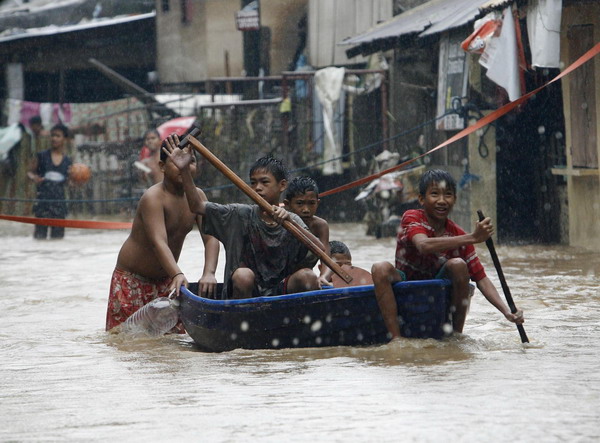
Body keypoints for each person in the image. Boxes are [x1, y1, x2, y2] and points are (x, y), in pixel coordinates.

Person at [163, 135, 325, 299]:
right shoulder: (239, 214)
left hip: (281, 293)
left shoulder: (291, 220)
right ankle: (241, 321)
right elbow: (197, 206)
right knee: (243, 275)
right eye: (253, 183)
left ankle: (298, 319)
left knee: (308, 277)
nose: (257, 188)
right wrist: (185, 171)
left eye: (264, 182)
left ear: (282, 185)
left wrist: (290, 222)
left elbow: (320, 251)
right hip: (246, 292)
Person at [371, 169, 524, 340]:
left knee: (458, 265)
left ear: (455, 200)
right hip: (405, 281)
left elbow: (481, 279)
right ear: (422, 199)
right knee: (380, 268)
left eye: (448, 195)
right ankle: (396, 339)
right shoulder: (412, 217)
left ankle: (456, 336)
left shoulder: (457, 234)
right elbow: (423, 245)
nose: (442, 201)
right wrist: (473, 238)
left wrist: (507, 312)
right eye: (434, 194)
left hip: (437, 288)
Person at [105, 137, 220, 331]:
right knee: (126, 344)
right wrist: (177, 272)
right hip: (132, 279)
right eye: (176, 162)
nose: (184, 166)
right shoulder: (153, 197)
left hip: (167, 281)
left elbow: (211, 238)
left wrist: (209, 273)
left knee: (171, 344)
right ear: (162, 166)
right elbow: (159, 241)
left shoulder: (198, 197)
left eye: (190, 161)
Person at [27, 123, 73, 239]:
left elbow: (69, 182)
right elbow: (29, 172)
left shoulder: (68, 161)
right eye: (52, 135)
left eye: (58, 136)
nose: (54, 138)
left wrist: (76, 181)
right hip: (42, 203)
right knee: (39, 237)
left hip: (59, 205)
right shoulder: (41, 156)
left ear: (65, 139)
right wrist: (34, 178)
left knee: (58, 239)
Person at [283, 176, 330, 285]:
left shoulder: (320, 226)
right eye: (299, 203)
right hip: (283, 280)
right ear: (287, 204)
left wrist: (323, 276)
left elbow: (326, 258)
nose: (306, 210)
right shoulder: (281, 222)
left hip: (307, 278)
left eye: (311, 203)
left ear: (318, 203)